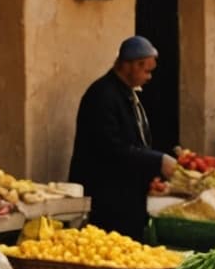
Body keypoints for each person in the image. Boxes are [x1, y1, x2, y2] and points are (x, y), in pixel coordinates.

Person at [70, 36, 180, 239]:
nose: (149, 77)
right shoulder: (102, 95)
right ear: (131, 65)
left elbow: (138, 141)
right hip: (107, 198)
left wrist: (152, 173)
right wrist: (158, 161)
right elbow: (110, 149)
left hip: (127, 196)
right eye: (146, 71)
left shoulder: (127, 93)